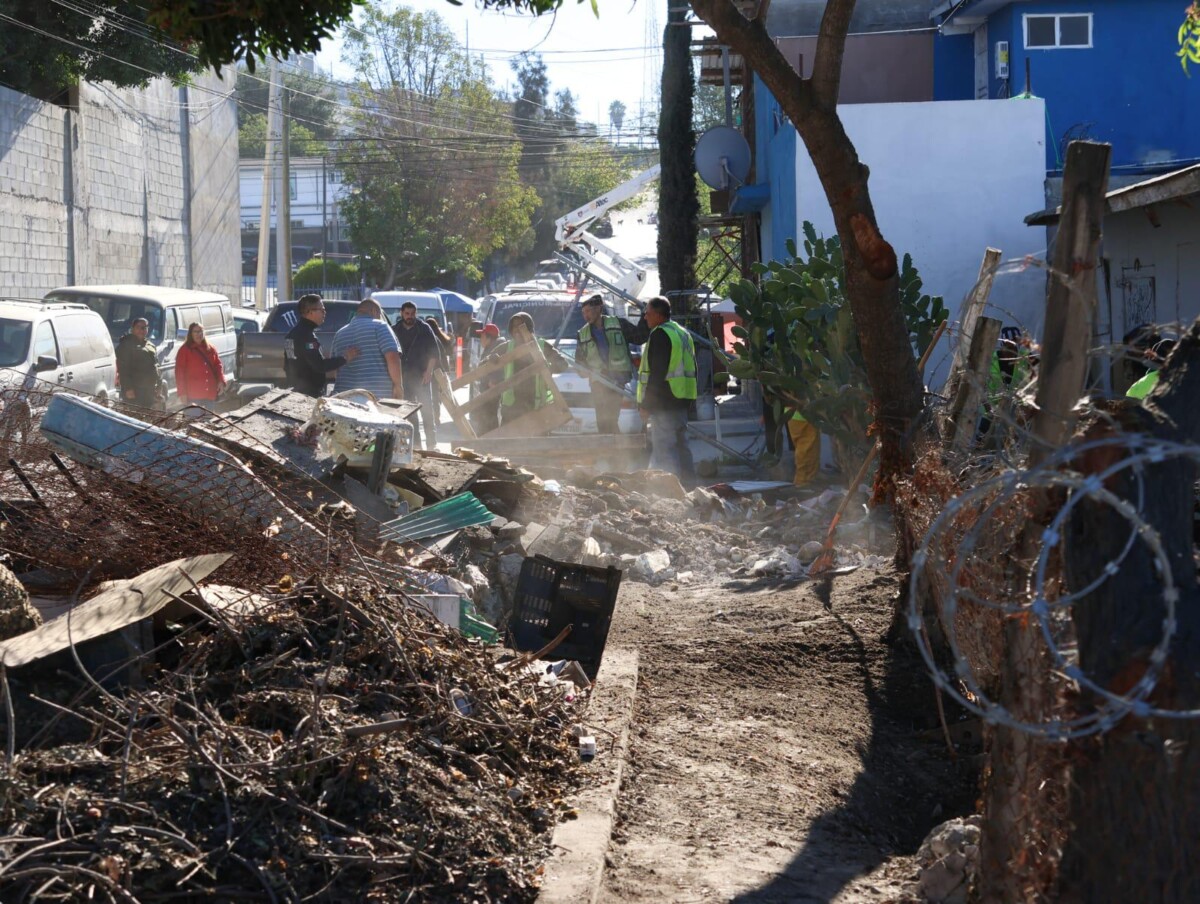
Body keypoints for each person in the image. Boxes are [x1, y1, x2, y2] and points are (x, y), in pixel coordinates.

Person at [636, 297, 697, 477]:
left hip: (665, 402)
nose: (645, 317)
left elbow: (657, 374)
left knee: (664, 451)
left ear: (657, 314)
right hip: (681, 399)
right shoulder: (682, 332)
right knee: (681, 447)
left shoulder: (660, 334)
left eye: (647, 313)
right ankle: (689, 487)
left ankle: (672, 494)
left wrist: (646, 404)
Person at [577, 294, 637, 435]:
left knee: (610, 419)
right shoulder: (582, 333)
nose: (586, 316)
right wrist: (583, 371)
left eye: (589, 311)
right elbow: (579, 361)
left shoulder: (618, 324)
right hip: (598, 382)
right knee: (603, 421)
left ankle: (613, 451)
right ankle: (612, 451)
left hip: (617, 379)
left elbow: (638, 337)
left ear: (599, 309)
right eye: (583, 312)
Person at [499, 311, 568, 426]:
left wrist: (546, 368)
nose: (517, 329)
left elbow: (563, 364)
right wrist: (492, 359)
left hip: (536, 406)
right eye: (514, 326)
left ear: (529, 328)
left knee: (537, 443)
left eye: (521, 325)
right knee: (510, 442)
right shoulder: (506, 347)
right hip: (512, 408)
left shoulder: (541, 345)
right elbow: (485, 363)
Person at [284, 294, 359, 398]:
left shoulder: (292, 334)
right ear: (310, 312)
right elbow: (319, 365)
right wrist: (345, 358)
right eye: (322, 310)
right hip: (308, 395)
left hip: (295, 392)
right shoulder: (306, 336)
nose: (325, 313)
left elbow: (286, 366)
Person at [332, 299, 404, 400]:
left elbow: (336, 369)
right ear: (375, 311)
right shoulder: (380, 326)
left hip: (345, 397)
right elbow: (392, 357)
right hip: (376, 397)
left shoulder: (339, 334)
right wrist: (398, 385)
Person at [392, 302, 441, 448]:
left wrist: (429, 371)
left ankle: (432, 445)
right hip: (403, 378)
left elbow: (434, 352)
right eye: (407, 314)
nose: (410, 317)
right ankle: (417, 447)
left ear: (416, 313)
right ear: (401, 313)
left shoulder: (424, 328)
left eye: (412, 314)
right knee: (410, 414)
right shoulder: (395, 330)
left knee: (427, 412)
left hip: (421, 377)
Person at [174, 322, 226, 408]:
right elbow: (179, 373)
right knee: (193, 421)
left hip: (210, 393)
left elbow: (218, 365)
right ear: (191, 334)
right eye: (195, 332)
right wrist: (182, 393)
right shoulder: (184, 350)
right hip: (193, 395)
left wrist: (221, 381)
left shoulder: (210, 348)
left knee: (209, 420)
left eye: (201, 331)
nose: (199, 334)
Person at [115, 317, 161, 407]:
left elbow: (156, 367)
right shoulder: (126, 345)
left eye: (144, 327)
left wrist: (159, 385)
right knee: (134, 416)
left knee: (148, 417)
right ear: (132, 329)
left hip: (149, 390)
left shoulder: (150, 346)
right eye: (138, 327)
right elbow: (123, 368)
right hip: (134, 390)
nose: (141, 330)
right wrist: (128, 388)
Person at [470, 322, 506, 435]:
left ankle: (489, 440)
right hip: (488, 388)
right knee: (487, 416)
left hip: (491, 388)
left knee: (489, 416)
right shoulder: (493, 347)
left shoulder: (495, 349)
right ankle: (488, 439)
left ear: (488, 337)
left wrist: (494, 380)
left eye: (482, 336)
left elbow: (499, 366)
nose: (480, 339)